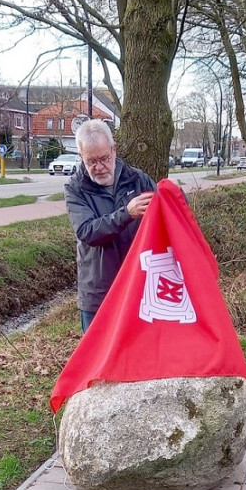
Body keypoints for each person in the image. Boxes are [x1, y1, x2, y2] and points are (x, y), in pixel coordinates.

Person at [65, 119, 156, 332]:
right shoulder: (75, 189)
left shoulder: (138, 179)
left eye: (104, 158)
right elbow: (87, 231)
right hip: (98, 295)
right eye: (91, 161)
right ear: (81, 157)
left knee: (137, 360)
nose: (99, 167)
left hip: (139, 289)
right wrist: (126, 213)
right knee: (99, 364)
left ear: (114, 150)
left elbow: (166, 214)